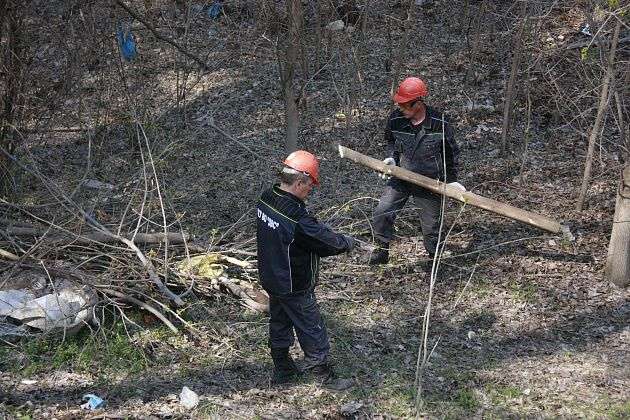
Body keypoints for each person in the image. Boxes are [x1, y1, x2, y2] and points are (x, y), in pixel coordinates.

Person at [256, 150, 356, 385]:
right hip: (295, 283)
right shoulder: (297, 219)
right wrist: (346, 242)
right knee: (312, 328)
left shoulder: (267, 197)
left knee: (279, 323)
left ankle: (283, 371)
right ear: (299, 182)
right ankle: (323, 377)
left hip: (271, 277)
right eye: (309, 186)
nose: (310, 190)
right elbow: (326, 244)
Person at [369, 77, 465, 266]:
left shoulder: (439, 122)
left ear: (418, 103)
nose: (401, 109)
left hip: (430, 182)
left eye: (405, 105)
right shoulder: (396, 119)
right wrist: (391, 159)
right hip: (401, 177)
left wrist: (451, 180)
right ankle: (381, 251)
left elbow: (451, 153)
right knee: (382, 212)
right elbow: (391, 142)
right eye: (399, 105)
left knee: (431, 228)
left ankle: (434, 261)